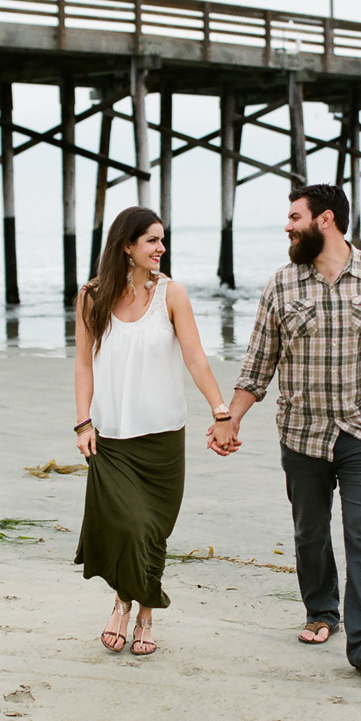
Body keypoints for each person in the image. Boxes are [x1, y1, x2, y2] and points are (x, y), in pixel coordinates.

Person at [210, 184, 361, 680]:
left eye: (294, 217)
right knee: (310, 530)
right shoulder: (282, 284)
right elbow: (259, 362)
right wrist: (230, 416)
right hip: (302, 433)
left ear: (325, 220)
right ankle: (321, 611)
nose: (287, 226)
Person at [74, 206, 236, 655]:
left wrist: (220, 410)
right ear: (127, 246)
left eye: (162, 240)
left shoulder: (172, 294)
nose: (161, 248)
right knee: (129, 526)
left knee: (153, 531)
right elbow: (83, 364)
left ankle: (140, 611)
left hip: (163, 436)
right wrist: (83, 421)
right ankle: (124, 602)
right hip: (113, 437)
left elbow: (195, 358)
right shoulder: (91, 297)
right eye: (152, 240)